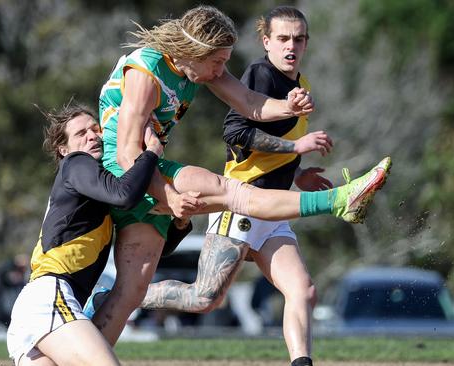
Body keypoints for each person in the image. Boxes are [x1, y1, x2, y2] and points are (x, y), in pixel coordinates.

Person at [91, 4, 392, 347]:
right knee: (231, 192)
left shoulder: (196, 65)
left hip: (144, 172)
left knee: (130, 294)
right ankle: (339, 199)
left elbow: (249, 101)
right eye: (217, 61)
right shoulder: (147, 71)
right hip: (126, 171)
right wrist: (170, 196)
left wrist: (287, 108)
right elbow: (125, 154)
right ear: (196, 51)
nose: (222, 70)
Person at [139, 7, 333, 366]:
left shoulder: (300, 86)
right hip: (243, 202)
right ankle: (124, 294)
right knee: (204, 298)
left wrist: (298, 171)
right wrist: (295, 147)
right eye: (283, 38)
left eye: (299, 38)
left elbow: (276, 147)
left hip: (274, 210)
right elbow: (235, 132)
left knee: (303, 290)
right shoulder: (261, 73)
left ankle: (302, 362)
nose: (292, 46)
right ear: (266, 42)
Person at [5, 103, 189, 366]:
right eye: (81, 133)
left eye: (95, 129)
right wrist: (150, 154)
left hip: (39, 308)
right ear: (63, 150)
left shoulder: (94, 197)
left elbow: (149, 248)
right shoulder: (75, 163)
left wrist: (179, 224)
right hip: (50, 297)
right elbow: (124, 195)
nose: (93, 135)